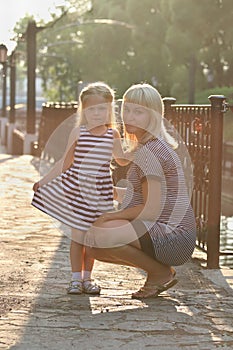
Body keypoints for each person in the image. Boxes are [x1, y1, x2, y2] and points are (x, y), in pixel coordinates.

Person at [84, 83, 197, 299]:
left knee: (98, 236)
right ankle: (158, 272)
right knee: (93, 243)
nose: (129, 116)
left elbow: (150, 209)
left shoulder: (150, 152)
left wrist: (109, 216)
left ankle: (159, 273)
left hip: (173, 236)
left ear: (153, 116)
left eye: (138, 112)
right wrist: (110, 191)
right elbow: (142, 197)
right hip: (167, 230)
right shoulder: (150, 147)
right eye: (126, 109)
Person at [32, 82, 131, 295]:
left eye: (102, 108)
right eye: (91, 109)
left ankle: (88, 279)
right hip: (78, 193)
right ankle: (76, 278)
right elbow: (64, 163)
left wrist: (139, 146)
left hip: (101, 194)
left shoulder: (112, 134)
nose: (97, 113)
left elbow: (121, 160)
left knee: (92, 239)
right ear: (84, 111)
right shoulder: (79, 133)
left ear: (110, 110)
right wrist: (44, 181)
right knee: (78, 237)